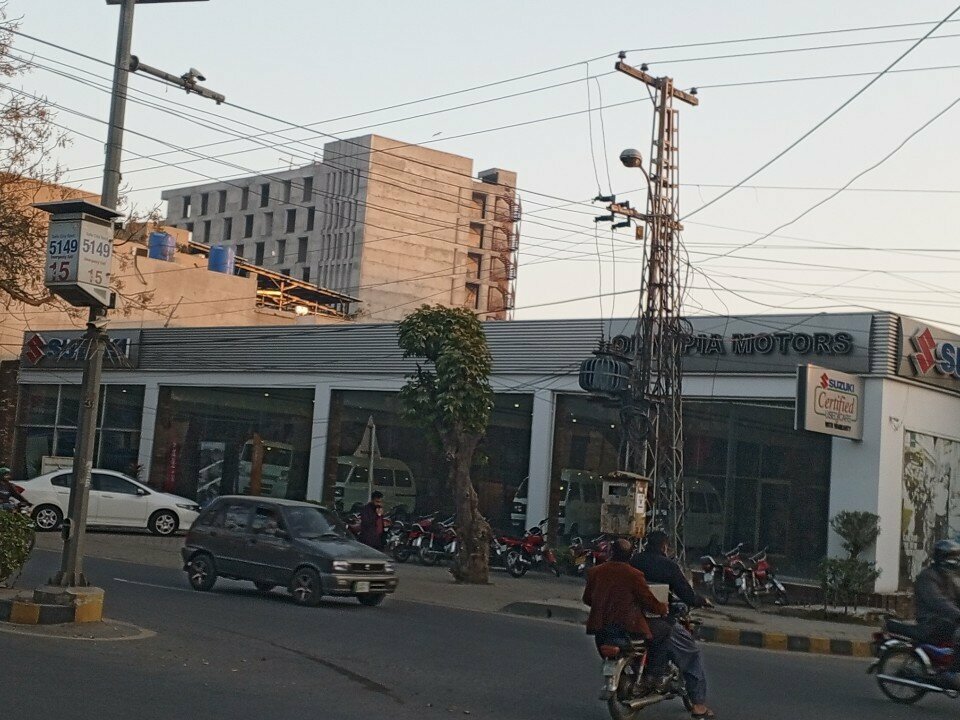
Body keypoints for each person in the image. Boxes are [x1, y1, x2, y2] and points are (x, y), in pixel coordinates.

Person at [632, 530, 715, 720]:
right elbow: (686, 594)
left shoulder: (635, 561)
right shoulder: (668, 566)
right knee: (692, 653)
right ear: (664, 546)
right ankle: (699, 706)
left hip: (633, 617)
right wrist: (702, 601)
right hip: (657, 618)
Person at [583, 538, 671, 689]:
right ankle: (655, 675)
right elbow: (648, 601)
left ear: (611, 552)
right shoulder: (634, 575)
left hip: (601, 630)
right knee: (664, 630)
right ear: (631, 555)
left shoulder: (595, 572)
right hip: (628, 629)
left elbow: (588, 599)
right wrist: (663, 609)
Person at [916, 539, 960, 691]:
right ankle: (951, 673)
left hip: (947, 619)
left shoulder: (948, 576)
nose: (955, 560)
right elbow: (938, 602)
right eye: (951, 556)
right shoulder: (927, 577)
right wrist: (957, 615)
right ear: (941, 557)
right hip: (931, 621)